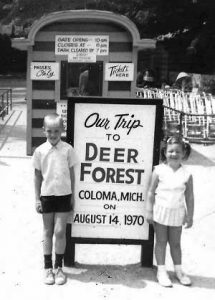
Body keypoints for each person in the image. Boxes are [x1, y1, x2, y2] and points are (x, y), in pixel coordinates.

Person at [32, 113, 78, 285]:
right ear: (43, 130)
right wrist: (37, 199)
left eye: (56, 131)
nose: (53, 135)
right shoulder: (40, 151)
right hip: (47, 196)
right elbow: (37, 176)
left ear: (62, 131)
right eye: (49, 131)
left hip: (64, 196)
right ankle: (47, 268)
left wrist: (73, 196)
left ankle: (59, 268)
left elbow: (72, 176)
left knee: (60, 232)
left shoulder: (68, 149)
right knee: (47, 231)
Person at [145, 136, 194, 287]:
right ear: (165, 152)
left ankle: (178, 271)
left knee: (175, 244)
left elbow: (190, 196)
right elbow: (151, 192)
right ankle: (161, 271)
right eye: (171, 151)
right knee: (160, 242)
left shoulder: (187, 174)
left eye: (178, 151)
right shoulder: (159, 170)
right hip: (160, 212)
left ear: (183, 152)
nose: (174, 154)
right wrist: (149, 211)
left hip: (177, 213)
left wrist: (190, 215)